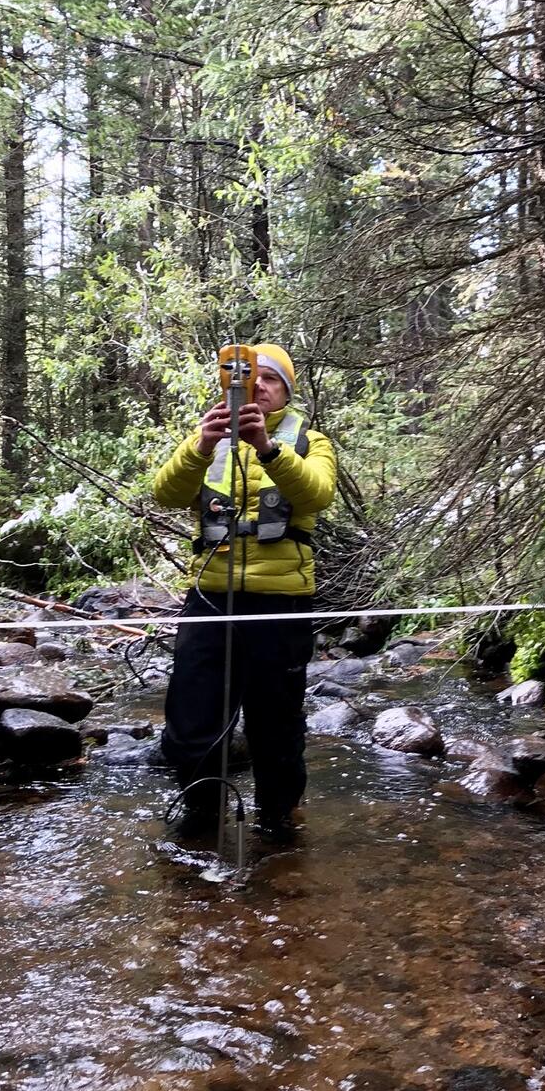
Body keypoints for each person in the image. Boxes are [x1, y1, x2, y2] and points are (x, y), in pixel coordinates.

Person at [150, 343, 337, 841]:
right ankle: (201, 815)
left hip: (282, 602)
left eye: (270, 380)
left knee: (276, 725)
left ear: (286, 391)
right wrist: (200, 448)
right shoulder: (205, 436)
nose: (258, 387)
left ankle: (277, 823)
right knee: (191, 721)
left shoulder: (310, 441)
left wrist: (267, 449)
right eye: (250, 379)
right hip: (210, 598)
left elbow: (316, 494)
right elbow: (165, 493)